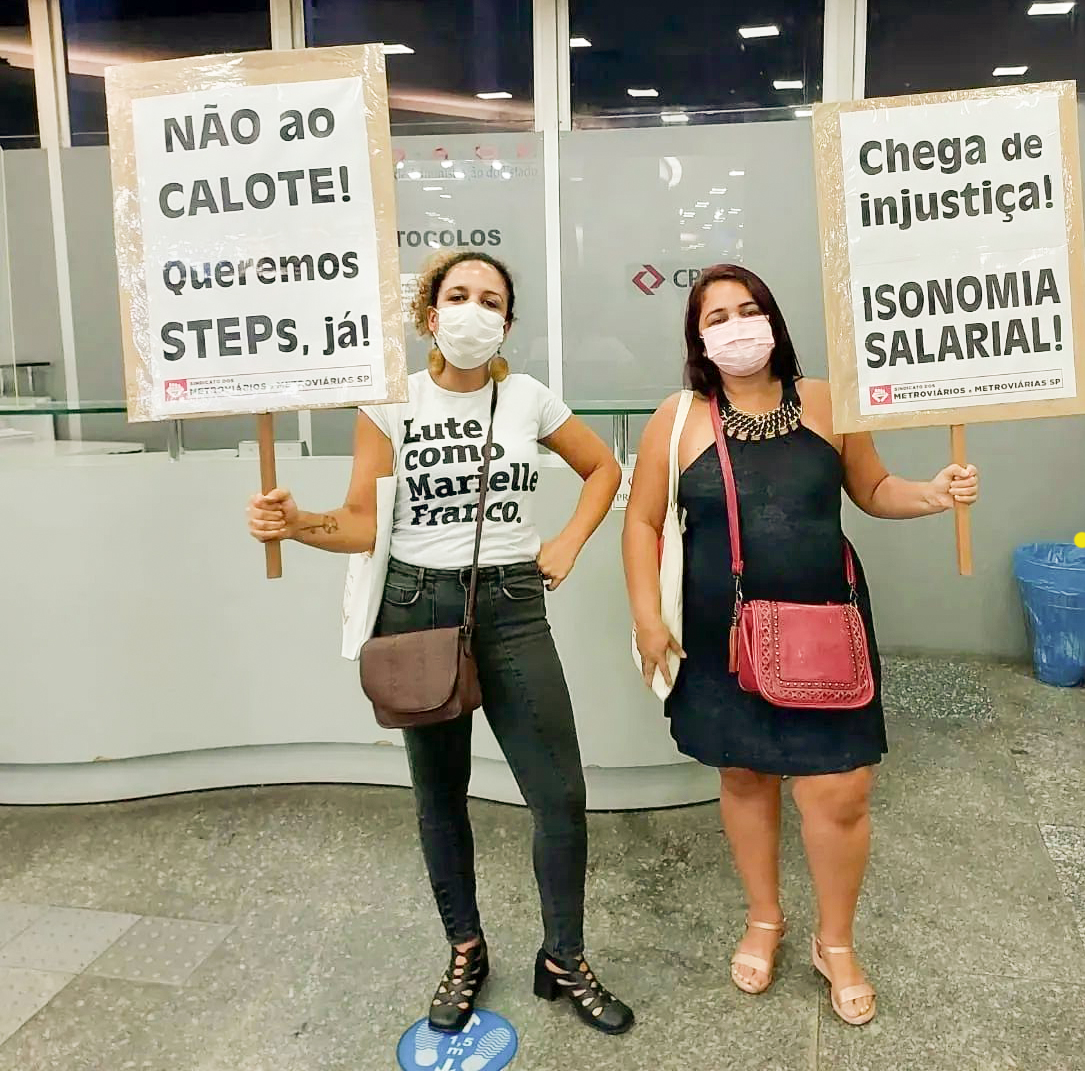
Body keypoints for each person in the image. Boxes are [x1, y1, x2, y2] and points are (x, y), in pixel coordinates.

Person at [247, 250, 633, 1036]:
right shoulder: (391, 404)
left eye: (491, 300)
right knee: (439, 795)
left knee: (559, 794)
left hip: (513, 607)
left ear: (507, 323)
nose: (474, 311)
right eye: (459, 295)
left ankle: (564, 956)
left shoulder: (528, 398)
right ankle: (465, 949)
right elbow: (362, 522)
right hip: (416, 608)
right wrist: (299, 523)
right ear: (431, 314)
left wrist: (566, 544)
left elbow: (602, 468)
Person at [622, 264, 979, 1026]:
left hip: (826, 627)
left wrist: (934, 492)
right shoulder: (677, 419)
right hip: (720, 636)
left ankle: (836, 941)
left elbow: (873, 489)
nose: (735, 326)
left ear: (774, 320)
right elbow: (642, 520)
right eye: (716, 316)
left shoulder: (826, 402)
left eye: (747, 309)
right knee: (746, 776)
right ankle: (764, 918)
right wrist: (647, 618)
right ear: (698, 339)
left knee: (839, 790)